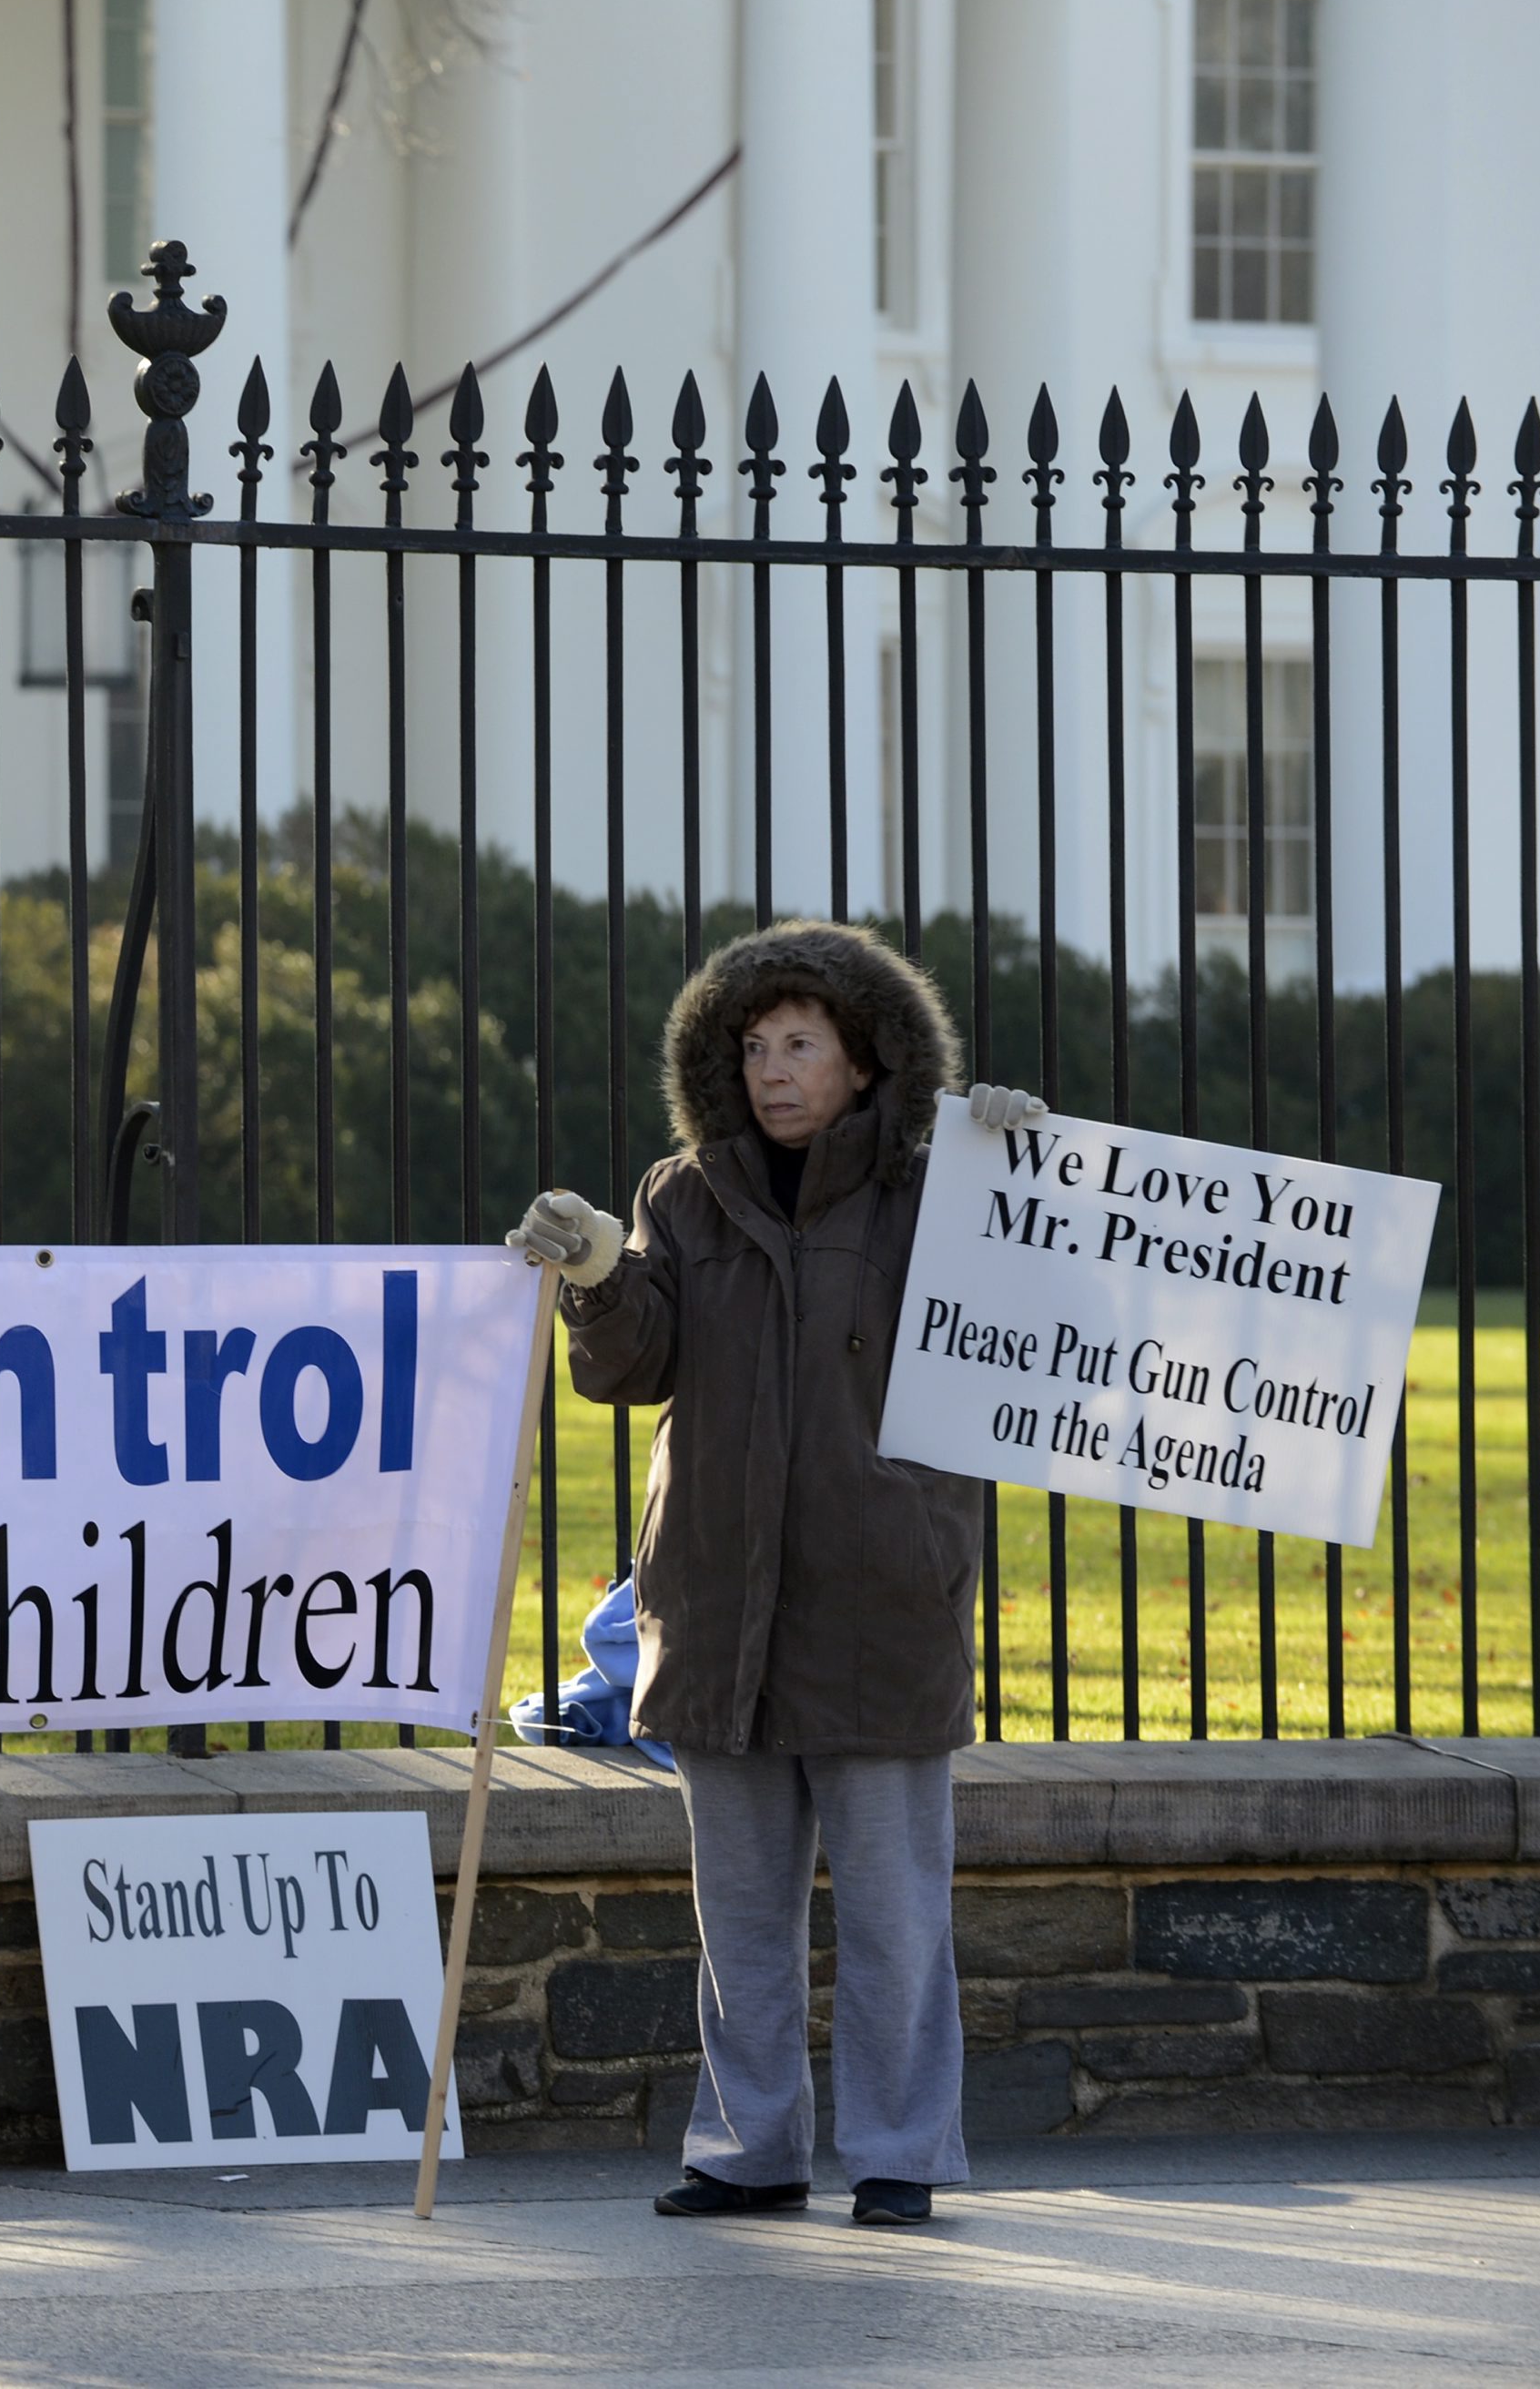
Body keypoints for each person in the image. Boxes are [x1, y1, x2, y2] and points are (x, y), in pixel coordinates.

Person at [505, 919, 1043, 2231]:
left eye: (802, 1043)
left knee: (895, 1918)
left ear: (866, 1063)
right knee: (739, 1922)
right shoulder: (678, 1197)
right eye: (754, 1046)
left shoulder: (937, 1191)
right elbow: (632, 1371)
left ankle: (900, 2155)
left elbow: (1038, 1318)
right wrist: (595, 1275)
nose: (773, 1068)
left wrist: (1029, 1158)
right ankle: (749, 2155)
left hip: (880, 1608)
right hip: (715, 1611)